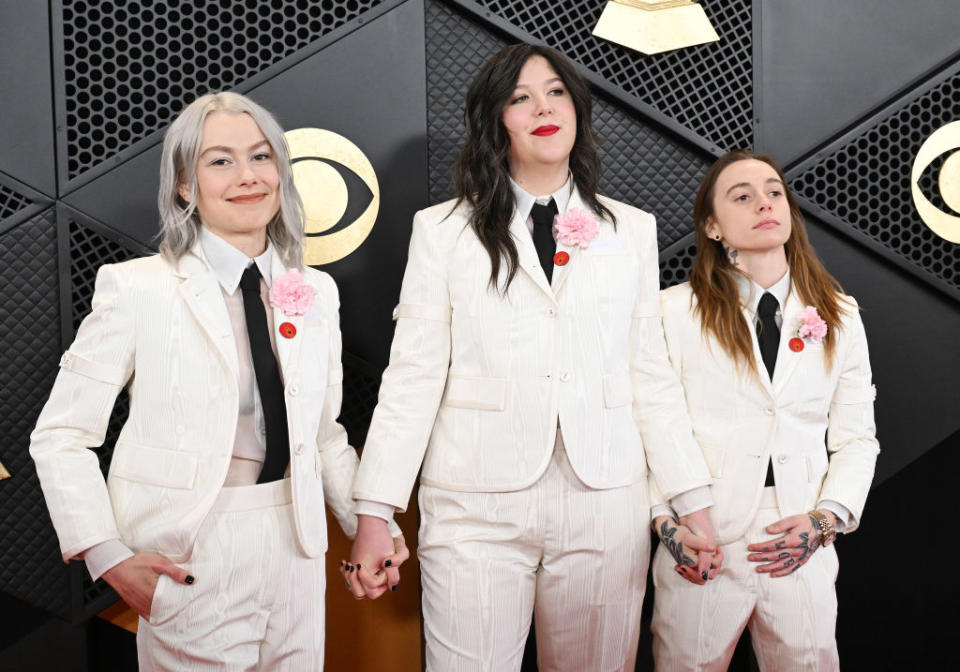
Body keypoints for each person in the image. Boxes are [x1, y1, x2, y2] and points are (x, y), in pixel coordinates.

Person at [343, 44, 717, 671]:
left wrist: (694, 507)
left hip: (603, 499)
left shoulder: (632, 230)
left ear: (577, 109)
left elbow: (650, 376)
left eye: (556, 93)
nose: (542, 107)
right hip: (473, 502)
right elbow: (412, 376)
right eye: (520, 97)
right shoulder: (442, 231)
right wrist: (375, 512)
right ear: (497, 120)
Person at [29, 91, 405, 671]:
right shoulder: (137, 289)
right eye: (220, 161)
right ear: (185, 185)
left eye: (261, 157)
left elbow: (323, 434)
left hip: (297, 542)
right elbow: (60, 435)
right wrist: (108, 557)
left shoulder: (315, 291)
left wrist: (367, 527)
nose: (248, 176)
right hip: (190, 547)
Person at [650, 149, 879, 670]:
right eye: (742, 195)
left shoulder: (839, 314)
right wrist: (669, 525)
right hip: (702, 533)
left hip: (799, 533)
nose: (764, 203)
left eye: (774, 191)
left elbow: (857, 438)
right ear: (712, 226)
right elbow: (652, 430)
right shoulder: (672, 311)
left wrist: (825, 520)